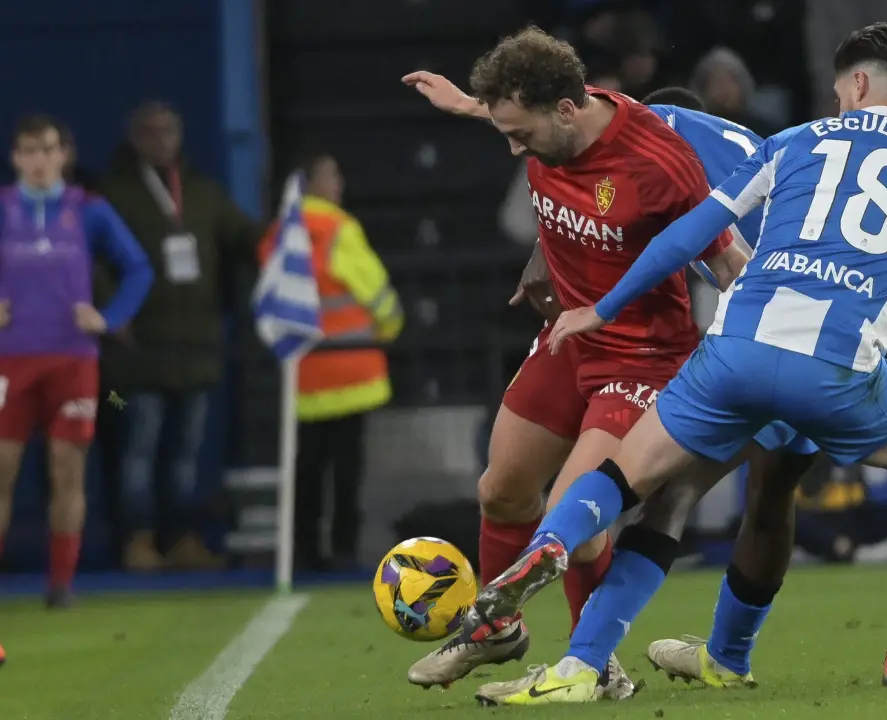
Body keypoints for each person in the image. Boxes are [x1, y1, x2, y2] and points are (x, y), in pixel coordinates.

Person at [466, 23, 887, 704]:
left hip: (733, 353)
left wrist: (602, 308)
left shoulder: (794, 141)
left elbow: (691, 234)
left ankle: (573, 628)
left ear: (854, 85)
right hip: (835, 371)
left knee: (632, 485)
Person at [398, 27, 750, 697]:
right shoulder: (551, 116)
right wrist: (467, 104)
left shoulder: (658, 162)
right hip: (567, 340)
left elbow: (730, 262)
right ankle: (497, 631)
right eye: (502, 129)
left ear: (564, 110)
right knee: (501, 491)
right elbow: (518, 121)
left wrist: (778, 348)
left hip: (642, 356)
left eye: (520, 134)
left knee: (576, 520)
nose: (513, 147)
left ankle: (594, 664)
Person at [98, 101, 260, 571]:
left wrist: (291, 233)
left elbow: (246, 236)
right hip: (135, 356)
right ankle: (137, 540)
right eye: (150, 131)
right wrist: (113, 311)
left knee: (185, 457)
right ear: (133, 139)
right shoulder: (113, 195)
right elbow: (91, 259)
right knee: (137, 451)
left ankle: (181, 538)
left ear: (181, 134)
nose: (161, 140)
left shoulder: (203, 192)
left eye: (168, 130)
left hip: (196, 349)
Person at [0, 115, 153, 608]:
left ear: (63, 154)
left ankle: (61, 584)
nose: (38, 160)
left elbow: (138, 267)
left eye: (47, 149)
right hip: (10, 360)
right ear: (15, 157)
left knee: (66, 469)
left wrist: (110, 318)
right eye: (29, 151)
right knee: (2, 468)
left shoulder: (87, 209)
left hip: (73, 359)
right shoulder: (3, 208)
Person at [258, 154, 403, 572]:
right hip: (351, 370)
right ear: (312, 183)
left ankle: (303, 550)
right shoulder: (338, 227)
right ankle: (342, 550)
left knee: (305, 468)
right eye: (331, 176)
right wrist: (391, 325)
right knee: (345, 469)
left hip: (302, 374)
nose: (338, 183)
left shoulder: (278, 233)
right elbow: (374, 289)